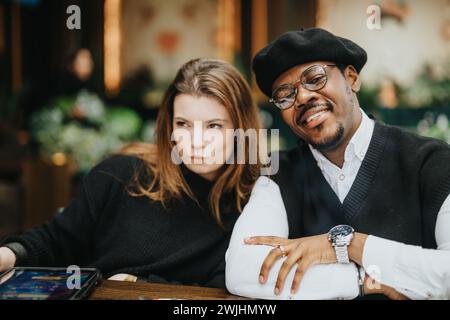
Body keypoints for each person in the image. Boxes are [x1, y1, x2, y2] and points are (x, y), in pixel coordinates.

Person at [226, 28, 450, 299]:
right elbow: (244, 271)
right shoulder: (276, 175)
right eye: (285, 95)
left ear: (351, 79)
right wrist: (362, 281)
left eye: (315, 78)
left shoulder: (432, 162)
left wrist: (347, 246)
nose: (302, 98)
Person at [0, 58, 262, 288]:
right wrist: (8, 255)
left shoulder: (254, 204)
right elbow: (58, 240)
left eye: (213, 126)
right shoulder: (118, 175)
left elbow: (223, 295)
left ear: (241, 128)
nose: (196, 140)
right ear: (169, 126)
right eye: (183, 124)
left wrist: (134, 285)